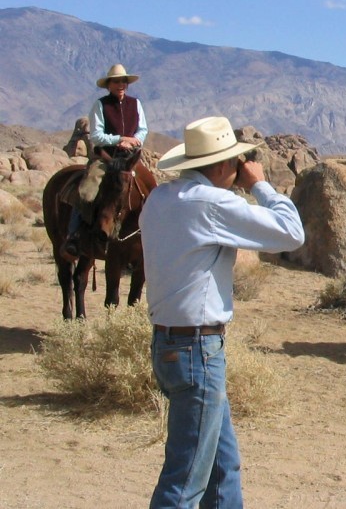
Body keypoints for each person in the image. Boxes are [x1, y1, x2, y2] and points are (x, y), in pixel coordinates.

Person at [141, 116, 305, 508]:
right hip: (198, 352)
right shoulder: (211, 203)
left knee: (221, 467)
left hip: (171, 346)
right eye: (232, 161)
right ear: (219, 166)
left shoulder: (160, 199)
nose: (236, 169)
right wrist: (259, 184)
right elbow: (291, 233)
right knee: (184, 484)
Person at [63, 63, 149, 257]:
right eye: (117, 81)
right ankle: (74, 235)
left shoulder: (136, 104)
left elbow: (143, 129)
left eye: (124, 81)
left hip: (130, 157)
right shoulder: (101, 105)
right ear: (109, 85)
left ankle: (149, 235)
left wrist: (135, 141)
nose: (121, 85)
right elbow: (96, 135)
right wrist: (120, 139)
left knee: (149, 189)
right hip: (106, 157)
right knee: (87, 190)